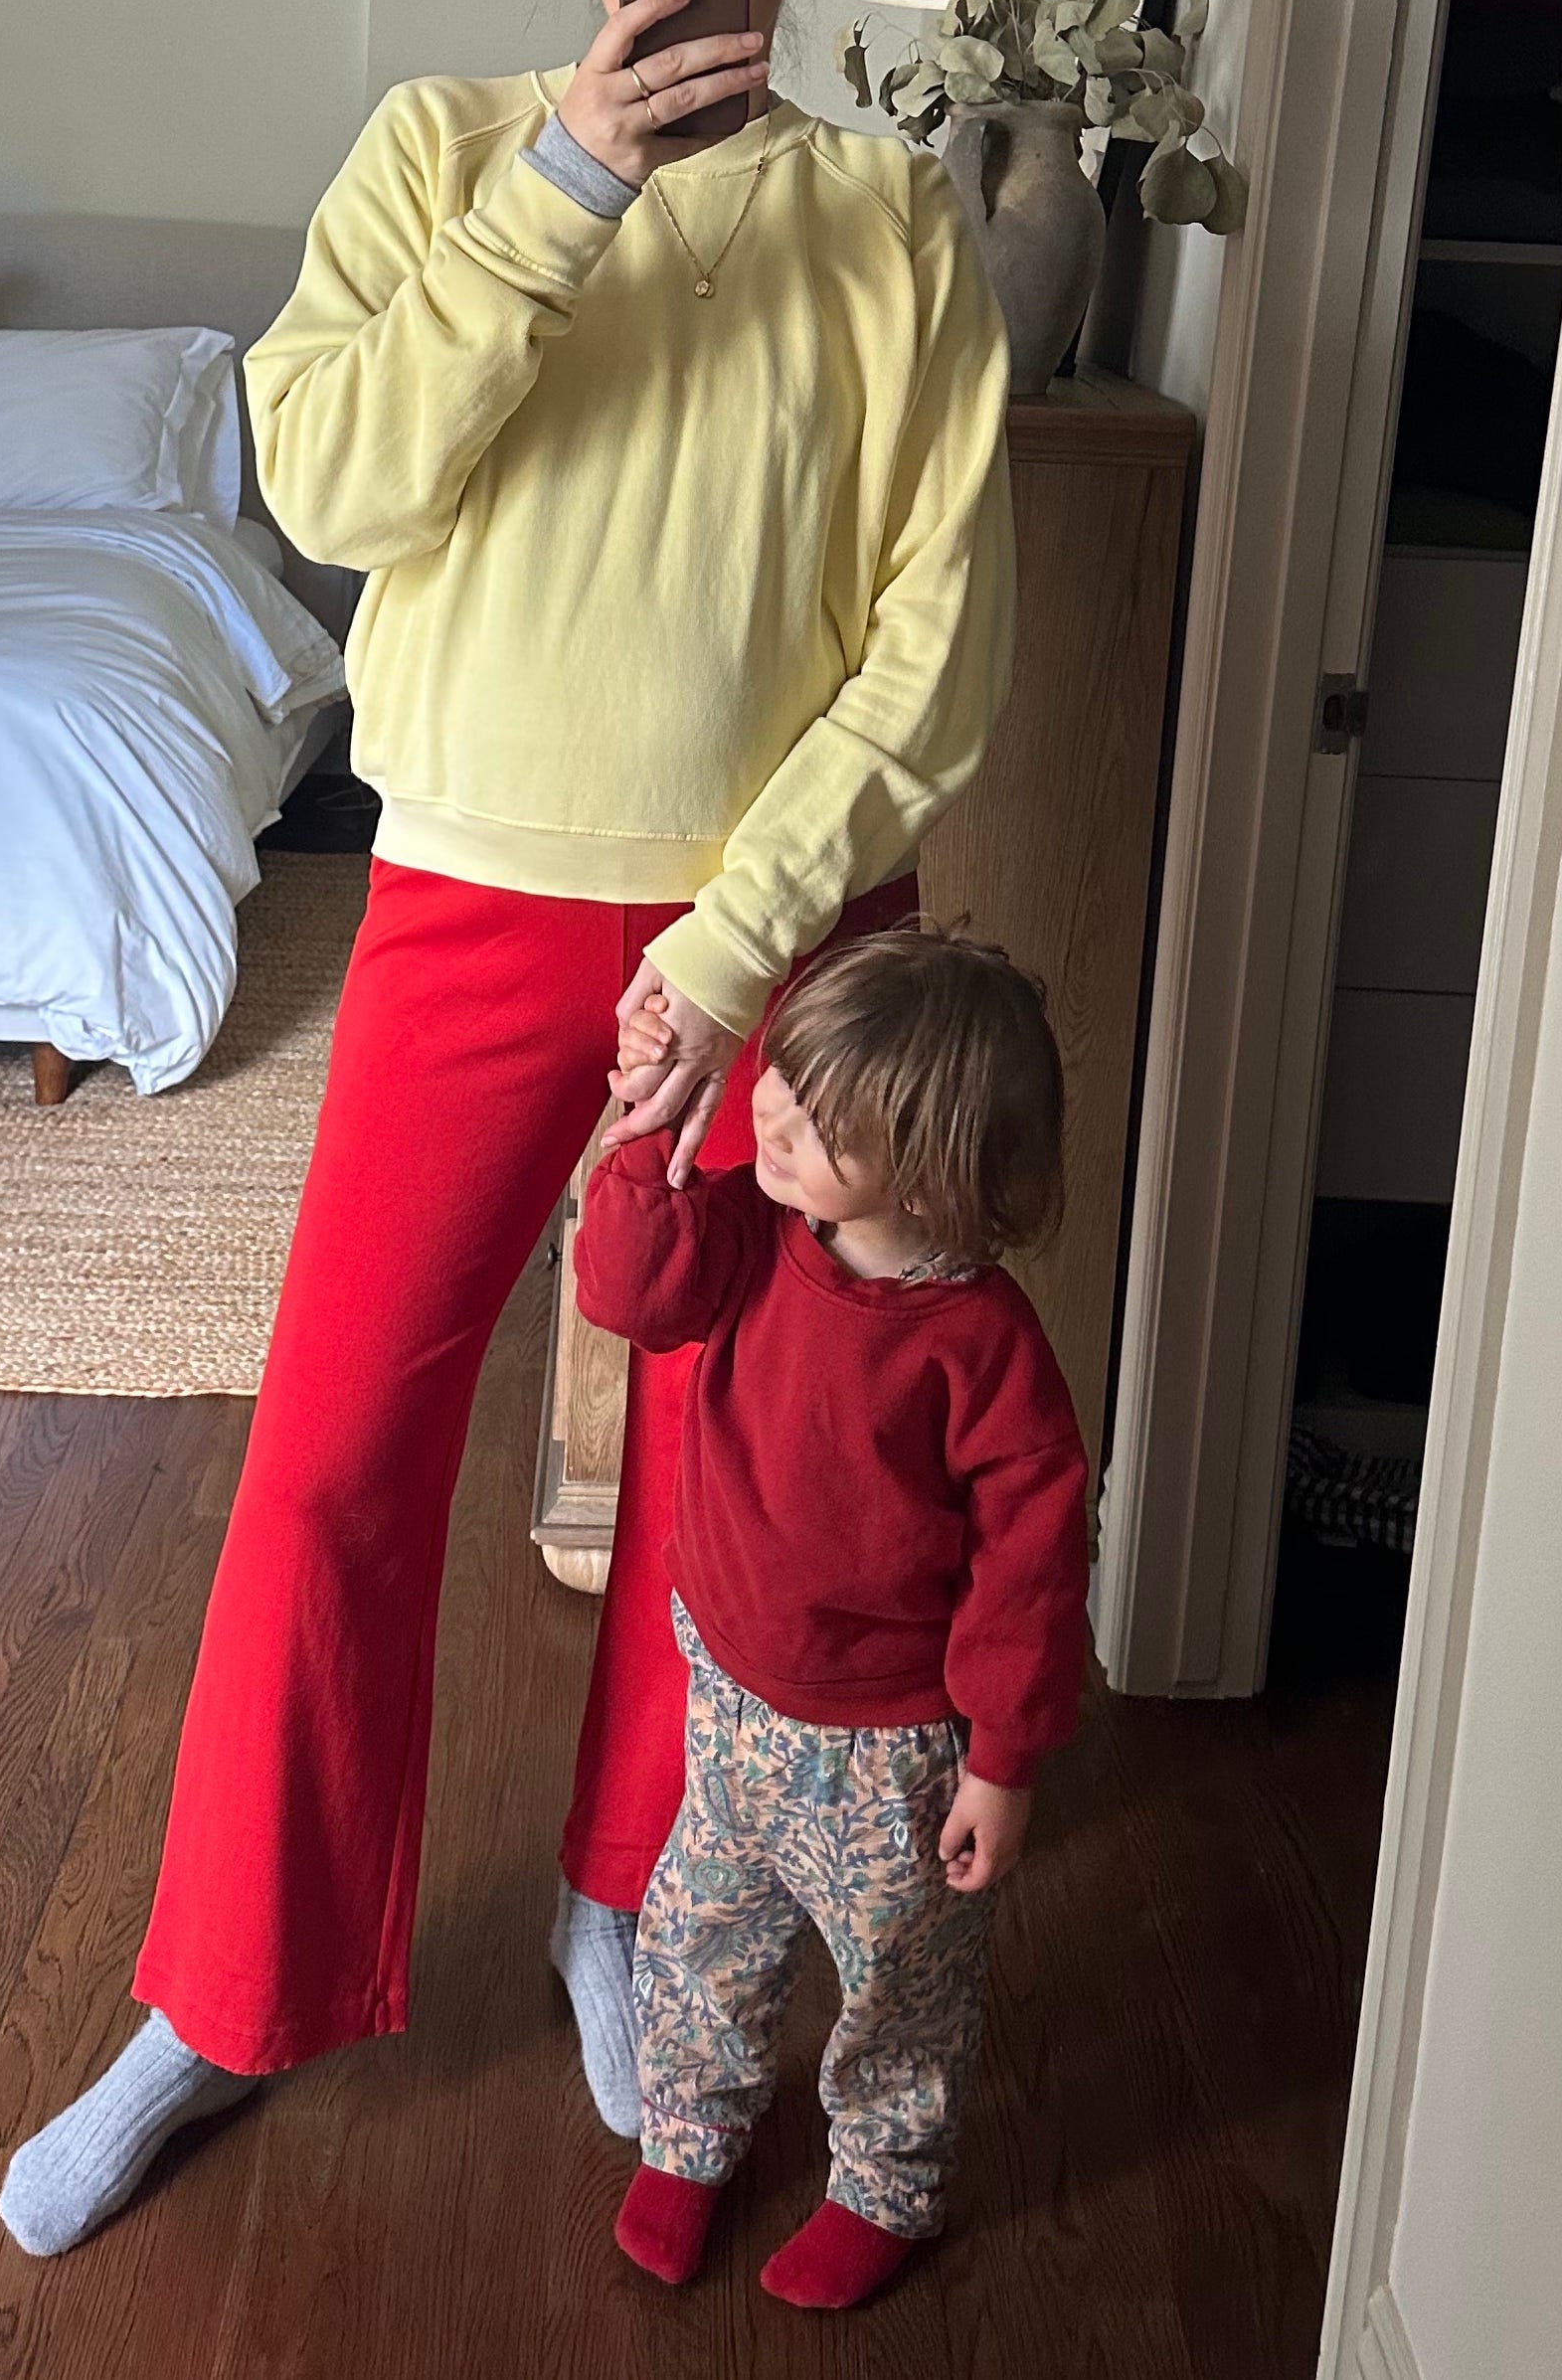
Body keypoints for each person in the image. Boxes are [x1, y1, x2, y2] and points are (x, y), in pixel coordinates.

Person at [0, 0, 1013, 2261]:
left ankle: (623, 1907)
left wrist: (739, 937)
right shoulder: (437, 153)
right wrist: (561, 184)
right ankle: (228, 1990)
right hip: (464, 899)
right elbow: (330, 476)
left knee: (731, 1478)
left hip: (777, 943)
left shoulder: (889, 218)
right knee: (337, 1448)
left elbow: (938, 641)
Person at [582, 930, 1088, 2309]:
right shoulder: (756, 1226)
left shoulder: (982, 1347)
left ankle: (884, 2184)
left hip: (894, 1751)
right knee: (697, 1936)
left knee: (899, 1986)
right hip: (729, 1696)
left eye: (816, 1117)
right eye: (782, 1078)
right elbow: (626, 1294)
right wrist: (650, 1131)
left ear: (925, 1170)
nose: (769, 1111)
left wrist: (1002, 1762)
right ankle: (689, 2135)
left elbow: (1031, 1575)